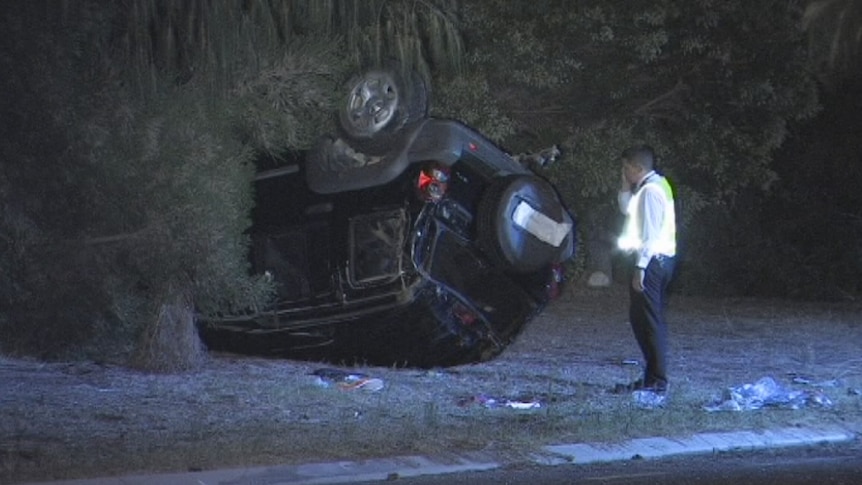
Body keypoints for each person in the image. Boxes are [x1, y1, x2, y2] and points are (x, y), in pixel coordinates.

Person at [616, 144, 677, 395]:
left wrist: (640, 267)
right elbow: (627, 210)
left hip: (652, 262)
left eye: (626, 167)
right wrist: (623, 188)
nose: (623, 171)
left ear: (638, 168)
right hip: (657, 261)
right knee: (642, 320)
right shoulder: (651, 187)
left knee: (649, 322)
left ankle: (657, 382)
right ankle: (651, 378)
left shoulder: (651, 191)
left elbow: (650, 234)